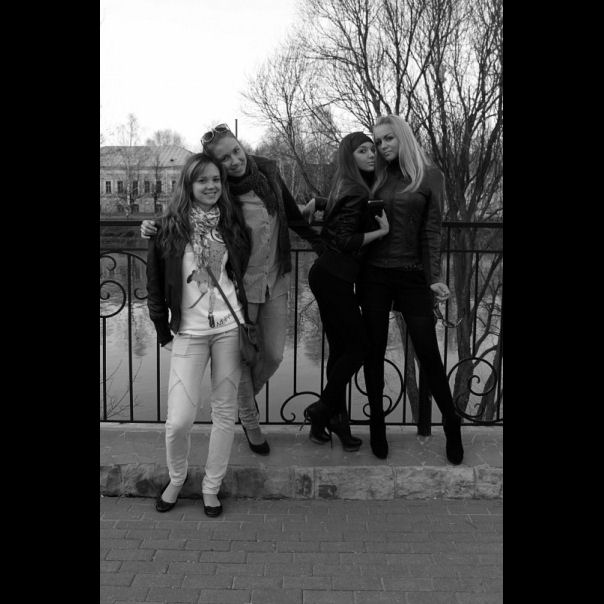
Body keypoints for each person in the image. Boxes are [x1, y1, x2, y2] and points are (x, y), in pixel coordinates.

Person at [142, 124, 324, 455]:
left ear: (242, 146)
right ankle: (250, 421)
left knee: (273, 354)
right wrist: (155, 225)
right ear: (216, 164)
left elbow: (291, 215)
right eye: (225, 158)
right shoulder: (221, 192)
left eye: (236, 151)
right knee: (241, 356)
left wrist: (323, 246)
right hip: (240, 284)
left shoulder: (268, 172)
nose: (235, 160)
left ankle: (235, 402)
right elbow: (188, 209)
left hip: (275, 278)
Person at [146, 152, 251, 517]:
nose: (210, 186)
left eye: (216, 180)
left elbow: (239, 271)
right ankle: (176, 478)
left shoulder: (232, 224)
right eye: (202, 180)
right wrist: (163, 332)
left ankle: (211, 486)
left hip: (229, 330)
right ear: (188, 185)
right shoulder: (166, 229)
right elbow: (155, 288)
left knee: (224, 412)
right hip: (188, 334)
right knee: (178, 421)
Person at [356, 115, 464, 464]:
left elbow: (432, 231)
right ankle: (377, 424)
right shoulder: (375, 175)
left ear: (402, 136)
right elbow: (348, 204)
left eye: (388, 138)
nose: (382, 146)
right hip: (374, 275)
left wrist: (435, 277)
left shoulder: (430, 176)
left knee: (428, 352)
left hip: (412, 275)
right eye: (378, 141)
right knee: (373, 352)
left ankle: (451, 422)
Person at [301, 132, 389, 450]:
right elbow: (343, 240)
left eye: (372, 150)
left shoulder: (346, 183)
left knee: (340, 350)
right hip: (334, 278)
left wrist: (318, 202)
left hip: (328, 275)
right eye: (362, 151)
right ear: (349, 157)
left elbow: (339, 215)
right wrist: (381, 231)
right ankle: (322, 409)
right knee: (360, 347)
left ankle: (331, 421)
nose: (371, 154)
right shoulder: (356, 189)